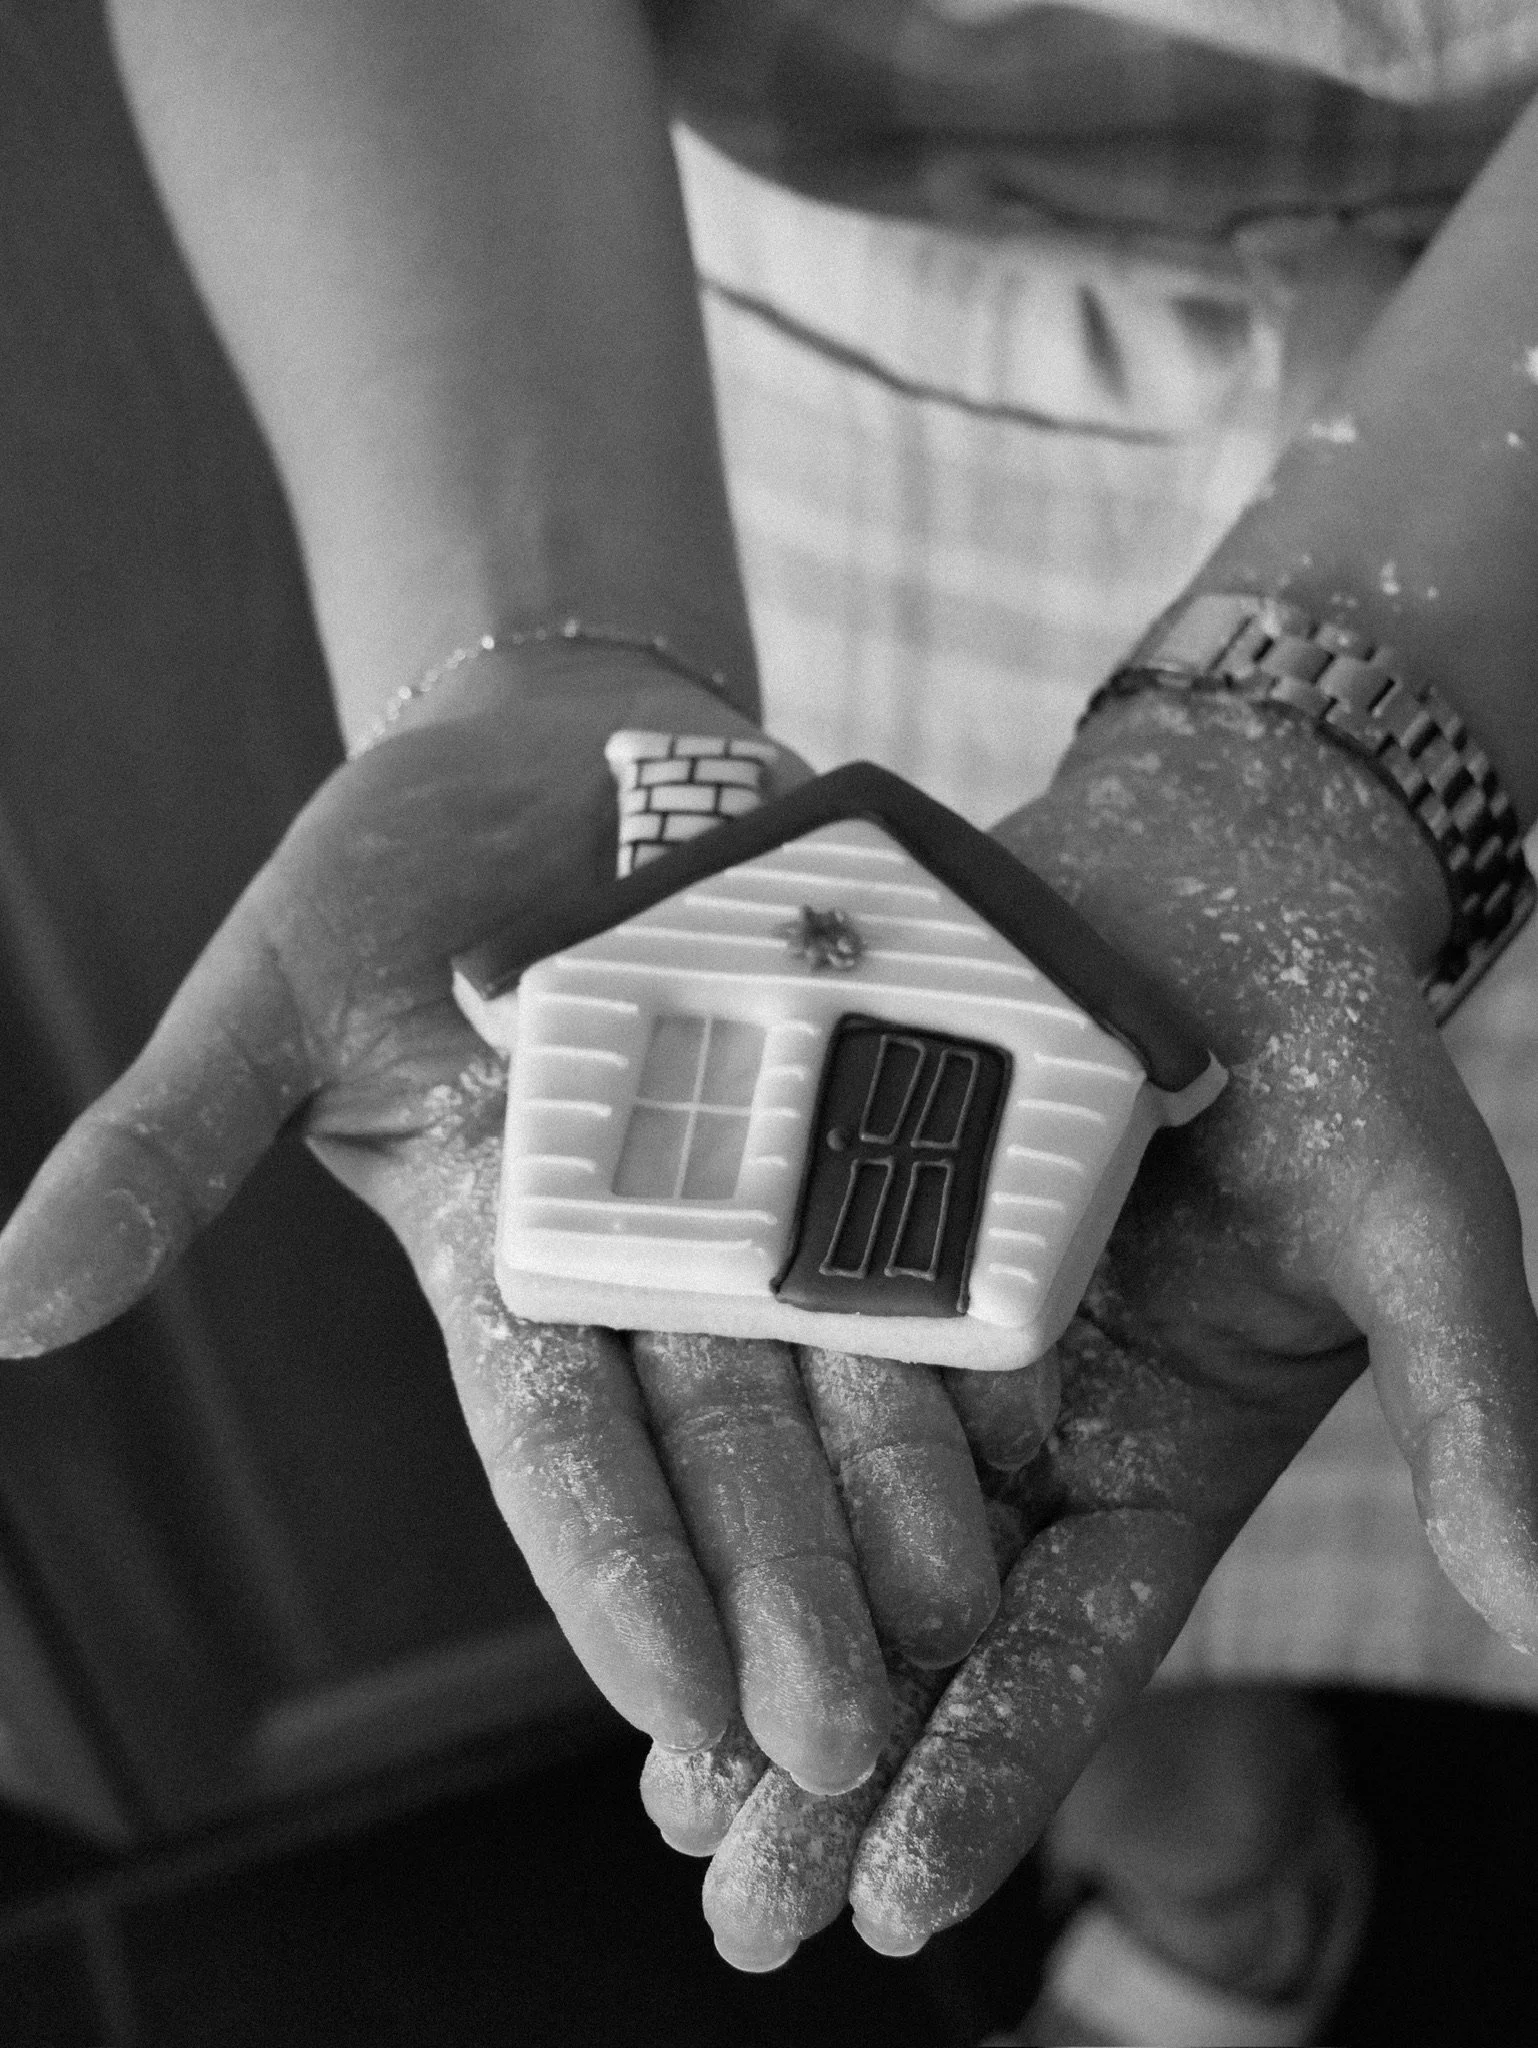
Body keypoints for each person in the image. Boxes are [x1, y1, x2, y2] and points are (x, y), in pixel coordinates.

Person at [2, 3, 1537, 2039]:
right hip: (675, 398)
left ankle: (1226, 1842)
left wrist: (1329, 748)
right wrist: (541, 637)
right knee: (995, 1503)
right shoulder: (718, 873)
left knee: (1220, 1355)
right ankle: (1189, 1813)